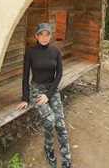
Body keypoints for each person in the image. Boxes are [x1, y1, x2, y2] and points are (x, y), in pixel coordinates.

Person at [16, 22, 73, 168]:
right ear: (36, 36)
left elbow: (59, 75)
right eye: (41, 34)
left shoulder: (55, 52)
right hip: (36, 90)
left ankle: (66, 160)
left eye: (47, 34)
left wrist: (49, 94)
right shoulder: (30, 52)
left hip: (51, 89)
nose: (44, 37)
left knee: (60, 123)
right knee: (50, 120)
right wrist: (25, 98)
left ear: (50, 35)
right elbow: (25, 76)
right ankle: (48, 149)